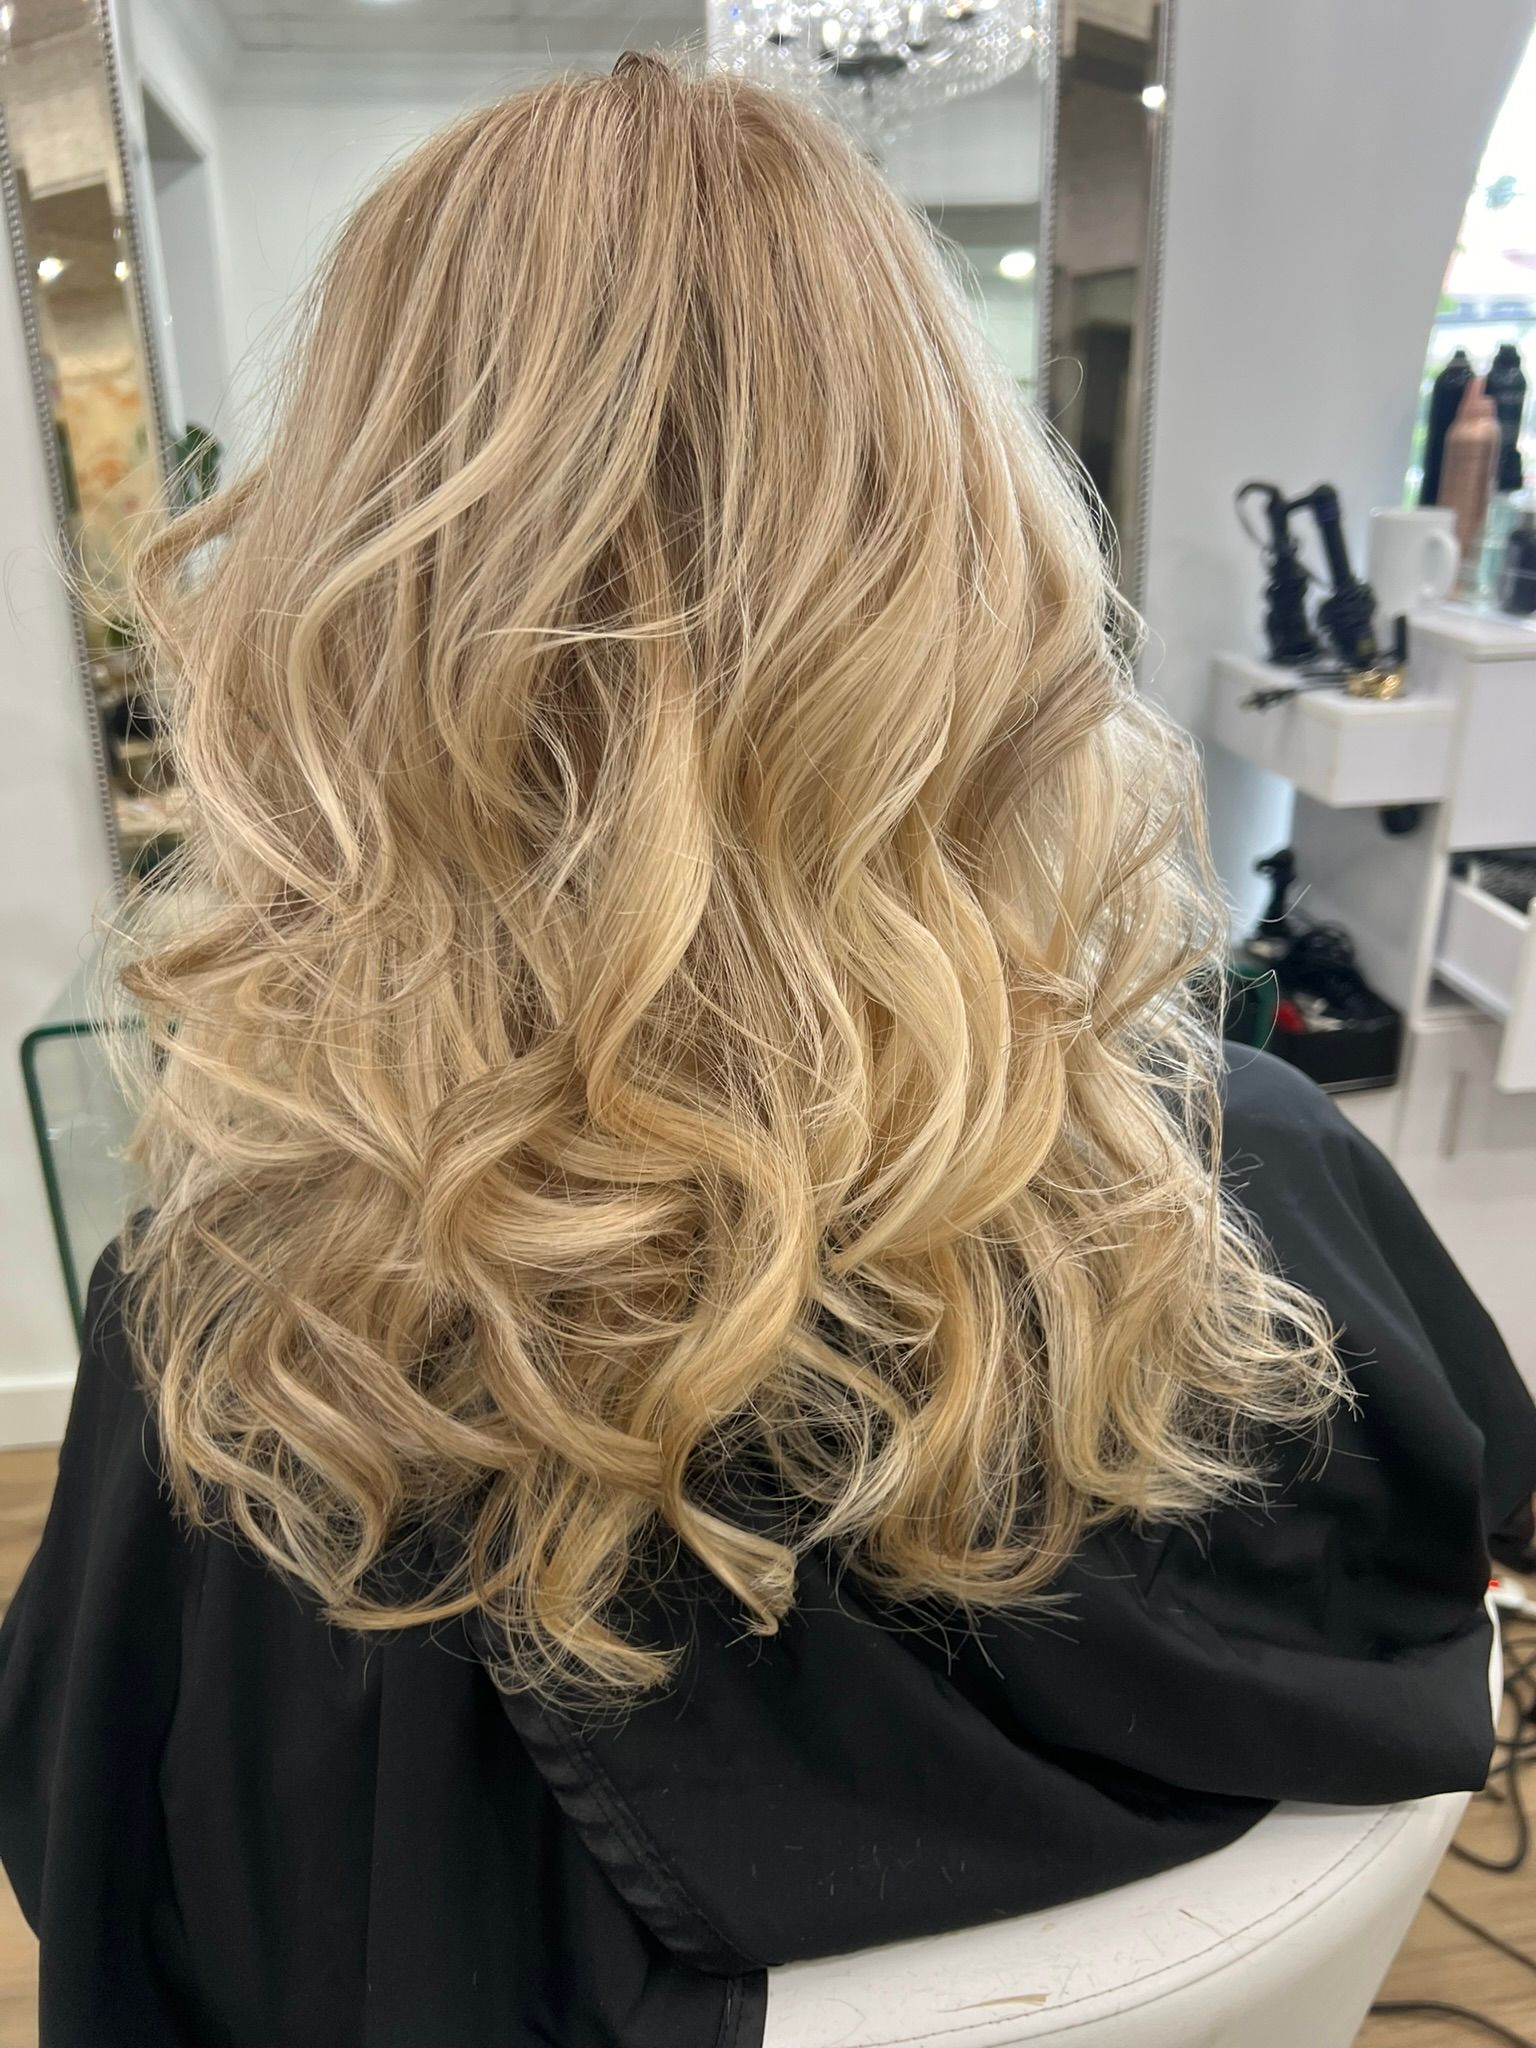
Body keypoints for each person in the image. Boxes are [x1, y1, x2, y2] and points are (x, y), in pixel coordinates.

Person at [2, 53, 1532, 2048]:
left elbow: (127, 1914)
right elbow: (1452, 1545)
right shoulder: (1252, 1160)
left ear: (365, 600)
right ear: (963, 550)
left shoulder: (245, 1348)